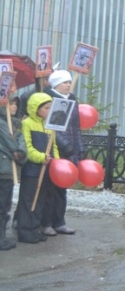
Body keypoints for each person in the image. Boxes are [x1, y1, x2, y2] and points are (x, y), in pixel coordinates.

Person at [15, 93, 60, 243]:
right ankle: (25, 231)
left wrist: (57, 163)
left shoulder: (49, 125)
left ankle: (35, 229)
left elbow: (53, 146)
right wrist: (41, 157)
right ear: (36, 108)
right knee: (29, 200)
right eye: (46, 108)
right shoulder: (27, 123)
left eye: (50, 108)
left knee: (40, 200)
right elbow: (27, 147)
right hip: (32, 170)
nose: (49, 110)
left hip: (46, 169)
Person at [43, 70, 82, 236]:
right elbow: (51, 126)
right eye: (64, 82)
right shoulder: (48, 99)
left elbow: (76, 126)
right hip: (55, 149)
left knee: (62, 188)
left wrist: (79, 147)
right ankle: (46, 223)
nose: (68, 84)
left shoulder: (72, 100)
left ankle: (60, 221)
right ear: (56, 84)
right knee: (49, 189)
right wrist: (64, 145)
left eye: (69, 82)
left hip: (70, 151)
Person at [0, 96, 27, 250]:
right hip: (2, 169)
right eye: (11, 103)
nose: (14, 107)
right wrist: (18, 151)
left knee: (5, 204)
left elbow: (22, 151)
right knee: (2, 205)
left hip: (8, 170)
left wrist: (20, 154)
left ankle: (2, 235)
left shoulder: (15, 125)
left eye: (16, 104)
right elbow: (13, 147)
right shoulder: (2, 124)